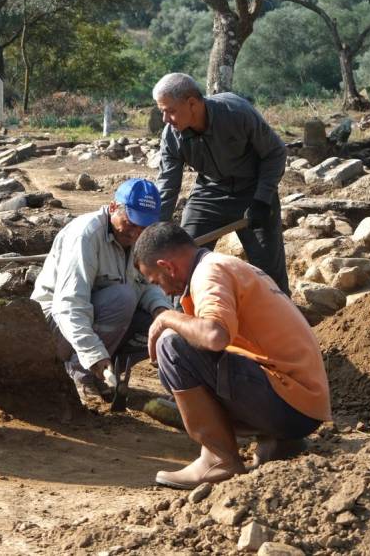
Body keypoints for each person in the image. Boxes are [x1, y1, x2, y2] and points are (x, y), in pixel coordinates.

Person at [133, 222, 331, 489]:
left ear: (167, 266)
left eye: (157, 281)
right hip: (304, 404)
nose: (164, 292)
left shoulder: (208, 273)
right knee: (187, 348)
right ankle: (279, 441)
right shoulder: (226, 265)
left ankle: (218, 459)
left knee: (172, 346)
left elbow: (215, 336)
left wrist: (167, 317)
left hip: (290, 405)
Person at [31, 178, 173, 403]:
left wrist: (163, 313)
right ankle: (81, 372)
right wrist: (93, 354)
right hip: (52, 328)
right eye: (131, 222)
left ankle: (101, 371)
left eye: (144, 226)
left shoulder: (139, 238)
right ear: (114, 206)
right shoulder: (85, 235)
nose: (137, 233)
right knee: (123, 297)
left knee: (159, 323)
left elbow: (147, 285)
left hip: (91, 324)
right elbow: (69, 306)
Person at [153, 73, 291, 294]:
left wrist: (263, 199)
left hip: (253, 193)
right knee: (183, 260)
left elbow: (275, 152)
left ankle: (284, 320)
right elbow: (167, 186)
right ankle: (183, 321)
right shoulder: (171, 136)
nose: (165, 119)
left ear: (192, 103)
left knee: (270, 274)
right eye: (162, 112)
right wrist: (155, 232)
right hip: (210, 193)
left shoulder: (236, 112)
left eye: (170, 111)